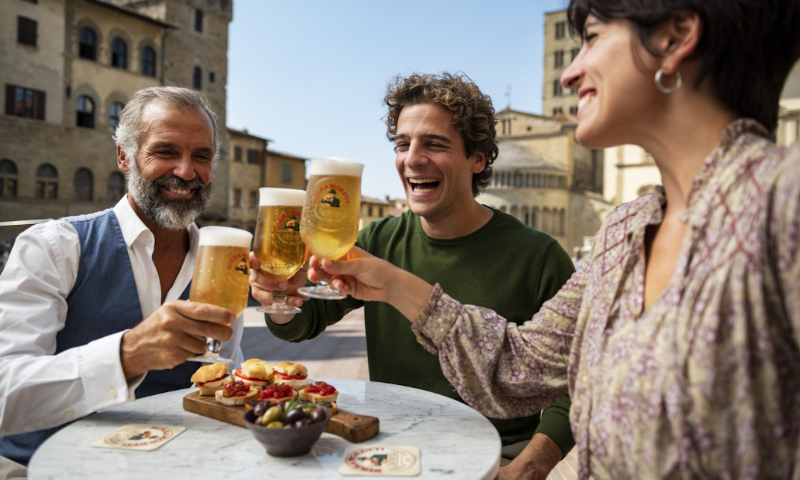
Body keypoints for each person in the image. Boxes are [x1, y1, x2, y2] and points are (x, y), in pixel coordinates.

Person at [304, 1, 800, 478]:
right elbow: (515, 371)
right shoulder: (624, 232)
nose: (570, 74)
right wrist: (391, 283)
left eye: (593, 39)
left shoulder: (782, 200)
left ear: (675, 39)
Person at [251, 73, 576, 479]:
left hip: (497, 455)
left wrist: (534, 462)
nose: (412, 159)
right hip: (389, 448)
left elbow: (576, 381)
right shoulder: (376, 240)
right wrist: (280, 298)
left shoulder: (539, 256)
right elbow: (304, 322)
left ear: (477, 159)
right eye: (402, 144)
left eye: (434, 144)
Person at [0, 86, 244, 468]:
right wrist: (127, 355)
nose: (186, 171)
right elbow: (5, 392)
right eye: (165, 151)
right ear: (124, 157)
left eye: (202, 155)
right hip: (38, 467)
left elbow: (223, 384)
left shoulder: (221, 264)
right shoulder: (56, 246)